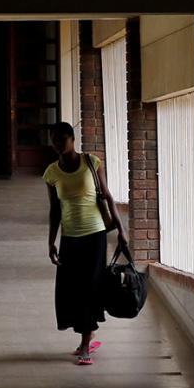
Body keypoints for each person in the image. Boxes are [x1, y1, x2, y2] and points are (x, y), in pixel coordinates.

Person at [43, 122, 126, 365]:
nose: (57, 144)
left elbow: (108, 197)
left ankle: (86, 346)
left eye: (62, 139)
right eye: (54, 140)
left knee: (89, 288)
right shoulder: (51, 173)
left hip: (95, 235)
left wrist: (121, 230)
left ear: (72, 139)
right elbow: (54, 210)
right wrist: (51, 242)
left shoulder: (92, 162)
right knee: (72, 290)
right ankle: (84, 339)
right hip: (70, 238)